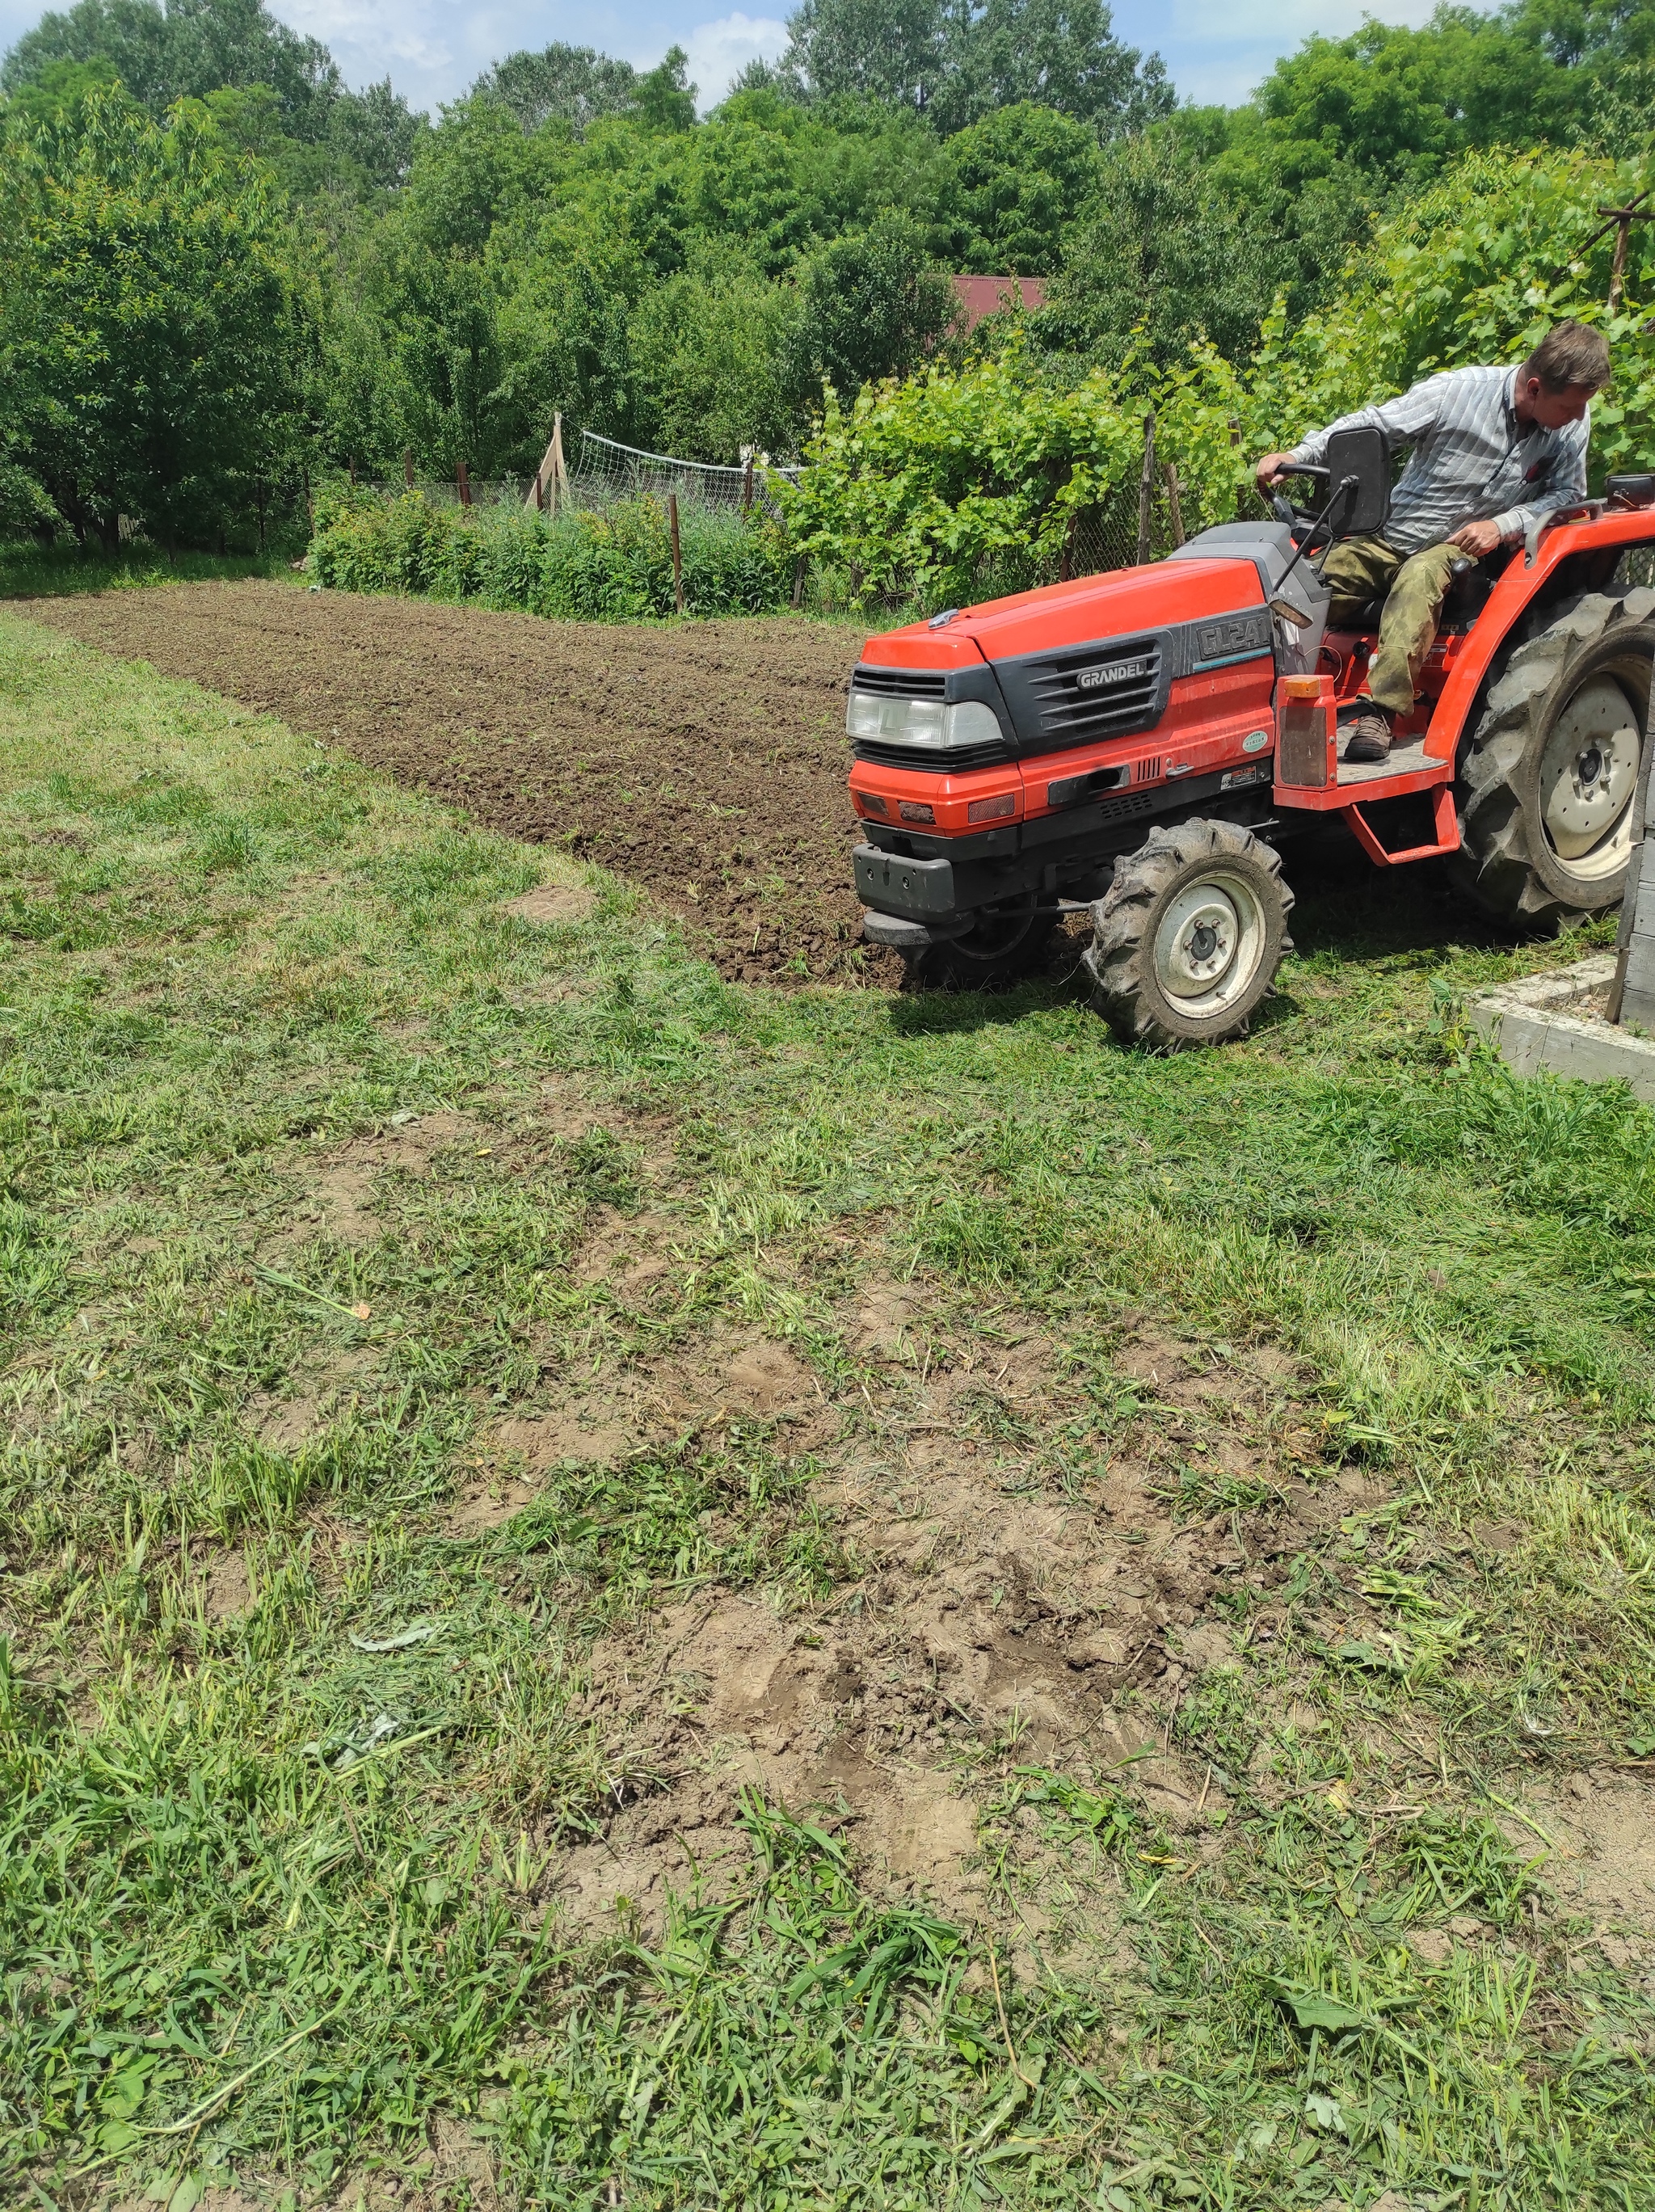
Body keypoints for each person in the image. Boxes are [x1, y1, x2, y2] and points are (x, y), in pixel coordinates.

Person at [1255, 321, 1611, 762]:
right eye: (1571, 407)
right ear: (1535, 388)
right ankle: (1263, 700)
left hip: (1460, 549)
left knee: (1419, 577)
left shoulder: (1571, 424)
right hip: (1390, 536)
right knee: (1298, 586)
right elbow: (1372, 426)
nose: (1579, 417)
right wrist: (1296, 456)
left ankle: (1381, 714)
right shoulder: (1457, 392)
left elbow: (1567, 494)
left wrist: (1503, 524)